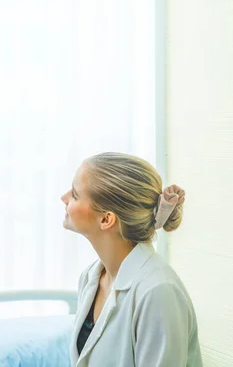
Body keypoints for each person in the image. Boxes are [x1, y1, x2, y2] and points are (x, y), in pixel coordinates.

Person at [61, 152, 203, 366]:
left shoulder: (158, 292)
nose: (64, 198)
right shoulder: (90, 277)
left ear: (106, 219)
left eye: (74, 194)